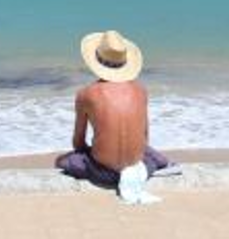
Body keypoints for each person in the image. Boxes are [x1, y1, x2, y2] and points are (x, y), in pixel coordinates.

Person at [55, 29, 173, 192]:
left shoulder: (86, 94)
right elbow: (144, 139)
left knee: (62, 161)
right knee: (150, 154)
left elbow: (78, 143)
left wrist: (96, 149)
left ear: (96, 60)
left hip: (103, 173)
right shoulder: (141, 91)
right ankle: (159, 163)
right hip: (138, 169)